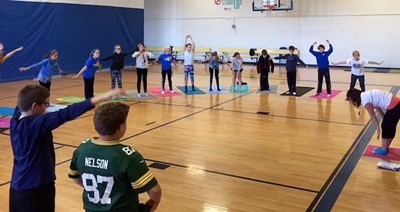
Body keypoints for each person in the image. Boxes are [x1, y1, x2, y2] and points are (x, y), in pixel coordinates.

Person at [9, 84, 124, 212]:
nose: (47, 107)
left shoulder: (15, 119)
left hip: (17, 188)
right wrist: (104, 96)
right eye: (46, 104)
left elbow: (24, 99)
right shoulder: (35, 125)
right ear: (34, 106)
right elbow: (66, 113)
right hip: (36, 190)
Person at [68, 102, 162, 211]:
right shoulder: (128, 156)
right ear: (121, 127)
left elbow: (74, 176)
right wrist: (155, 201)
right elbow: (154, 191)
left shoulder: (82, 149)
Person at [347, 88, 400, 155]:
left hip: (394, 106)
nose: (352, 102)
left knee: (386, 126)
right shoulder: (366, 95)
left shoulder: (365, 101)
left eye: (351, 100)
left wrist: (378, 129)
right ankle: (385, 147)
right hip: (397, 103)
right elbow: (378, 108)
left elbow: (372, 116)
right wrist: (385, 118)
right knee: (389, 126)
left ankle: (383, 150)